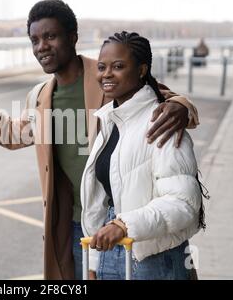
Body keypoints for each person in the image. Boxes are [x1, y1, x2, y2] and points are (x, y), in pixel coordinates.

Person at [0, 0, 200, 280]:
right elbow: (10, 135)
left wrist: (182, 106)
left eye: (50, 36)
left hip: (129, 222)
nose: (42, 47)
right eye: (35, 40)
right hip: (76, 223)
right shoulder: (41, 96)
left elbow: (156, 99)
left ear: (73, 37)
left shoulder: (105, 74)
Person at [81, 31, 205, 280]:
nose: (106, 73)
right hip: (112, 251)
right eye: (102, 66)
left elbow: (183, 204)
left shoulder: (162, 121)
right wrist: (95, 262)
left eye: (118, 66)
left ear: (141, 70)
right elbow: (102, 200)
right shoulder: (110, 120)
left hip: (155, 258)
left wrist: (124, 224)